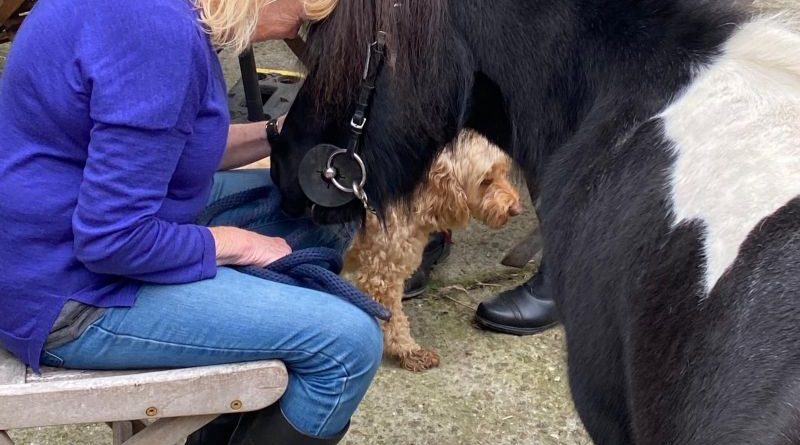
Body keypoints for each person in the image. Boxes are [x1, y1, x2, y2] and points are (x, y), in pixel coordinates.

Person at [0, 0, 382, 444]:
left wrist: (280, 133)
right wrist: (235, 243)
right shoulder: (158, 36)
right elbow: (113, 240)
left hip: (48, 238)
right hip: (65, 294)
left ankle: (222, 420)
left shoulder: (160, 15)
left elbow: (166, 146)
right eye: (306, 15)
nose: (302, 29)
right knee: (348, 346)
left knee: (323, 212)